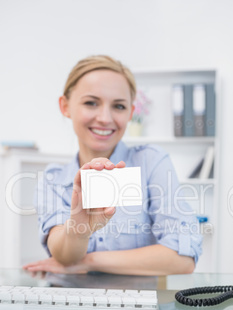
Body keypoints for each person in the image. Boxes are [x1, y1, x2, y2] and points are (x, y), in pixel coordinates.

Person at [23, 55, 202, 276]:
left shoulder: (151, 162)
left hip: (139, 307)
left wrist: (90, 262)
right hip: (72, 304)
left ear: (130, 113)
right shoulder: (53, 179)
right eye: (91, 103)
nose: (105, 118)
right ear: (65, 106)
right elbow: (63, 255)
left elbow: (183, 259)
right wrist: (79, 230)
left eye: (118, 106)